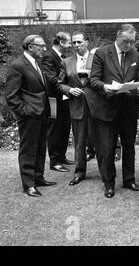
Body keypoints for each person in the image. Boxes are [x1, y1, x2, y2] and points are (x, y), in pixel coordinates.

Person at [85, 24, 139, 198]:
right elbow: (93, 80)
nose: (129, 44)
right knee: (107, 148)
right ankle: (109, 183)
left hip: (128, 108)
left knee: (129, 147)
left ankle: (129, 180)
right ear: (118, 36)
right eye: (126, 41)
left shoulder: (136, 55)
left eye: (131, 41)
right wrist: (105, 87)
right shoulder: (102, 53)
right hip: (106, 109)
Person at [5, 35, 56, 197]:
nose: (44, 48)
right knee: (28, 149)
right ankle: (28, 185)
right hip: (30, 116)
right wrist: (26, 111)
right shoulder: (18, 65)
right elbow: (11, 96)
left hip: (42, 113)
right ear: (29, 47)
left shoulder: (36, 63)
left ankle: (38, 178)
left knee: (41, 146)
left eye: (43, 46)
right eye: (40, 46)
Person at [58, 31, 94, 186]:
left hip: (97, 107)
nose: (77, 45)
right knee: (79, 142)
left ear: (87, 42)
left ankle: (107, 173)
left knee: (103, 140)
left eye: (79, 42)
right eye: (74, 43)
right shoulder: (66, 62)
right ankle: (80, 172)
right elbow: (59, 83)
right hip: (77, 107)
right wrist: (69, 90)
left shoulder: (97, 59)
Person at [41, 32, 73, 173]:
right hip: (53, 99)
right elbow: (51, 79)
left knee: (65, 127)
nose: (71, 45)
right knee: (54, 128)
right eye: (69, 42)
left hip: (64, 98)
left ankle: (62, 156)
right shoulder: (49, 56)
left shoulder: (63, 57)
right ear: (61, 42)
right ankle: (55, 161)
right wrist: (67, 86)